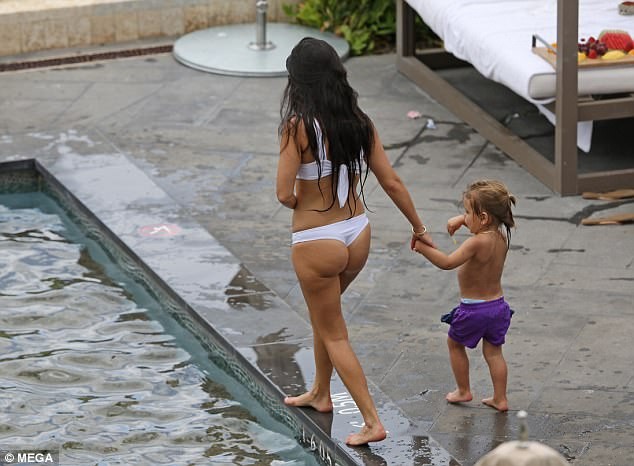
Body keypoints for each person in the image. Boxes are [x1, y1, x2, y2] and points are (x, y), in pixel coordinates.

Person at [276, 37, 434, 445]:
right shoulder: (359, 122)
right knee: (325, 316)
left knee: (334, 332)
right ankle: (320, 392)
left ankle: (371, 421)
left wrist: (302, 202)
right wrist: (419, 228)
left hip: (317, 240)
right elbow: (392, 181)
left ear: (299, 82)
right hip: (357, 233)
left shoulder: (296, 127)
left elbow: (283, 193)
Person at [413, 180, 516, 413]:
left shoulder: (476, 242)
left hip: (474, 310)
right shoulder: (501, 236)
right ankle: (500, 398)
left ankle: (463, 390)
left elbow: (447, 262)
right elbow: (483, 222)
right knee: (494, 353)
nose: (465, 217)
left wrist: (422, 247)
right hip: (498, 308)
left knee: (454, 344)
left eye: (468, 212)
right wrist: (462, 219)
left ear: (484, 217)